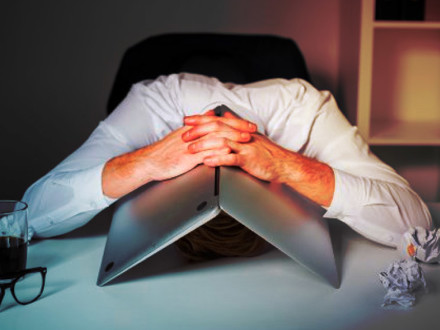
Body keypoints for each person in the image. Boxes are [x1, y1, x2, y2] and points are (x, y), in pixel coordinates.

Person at [23, 73, 432, 259]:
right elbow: (29, 217)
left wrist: (286, 165)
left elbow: (417, 227)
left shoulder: (306, 111)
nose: (219, 159)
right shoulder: (151, 105)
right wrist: (148, 162)